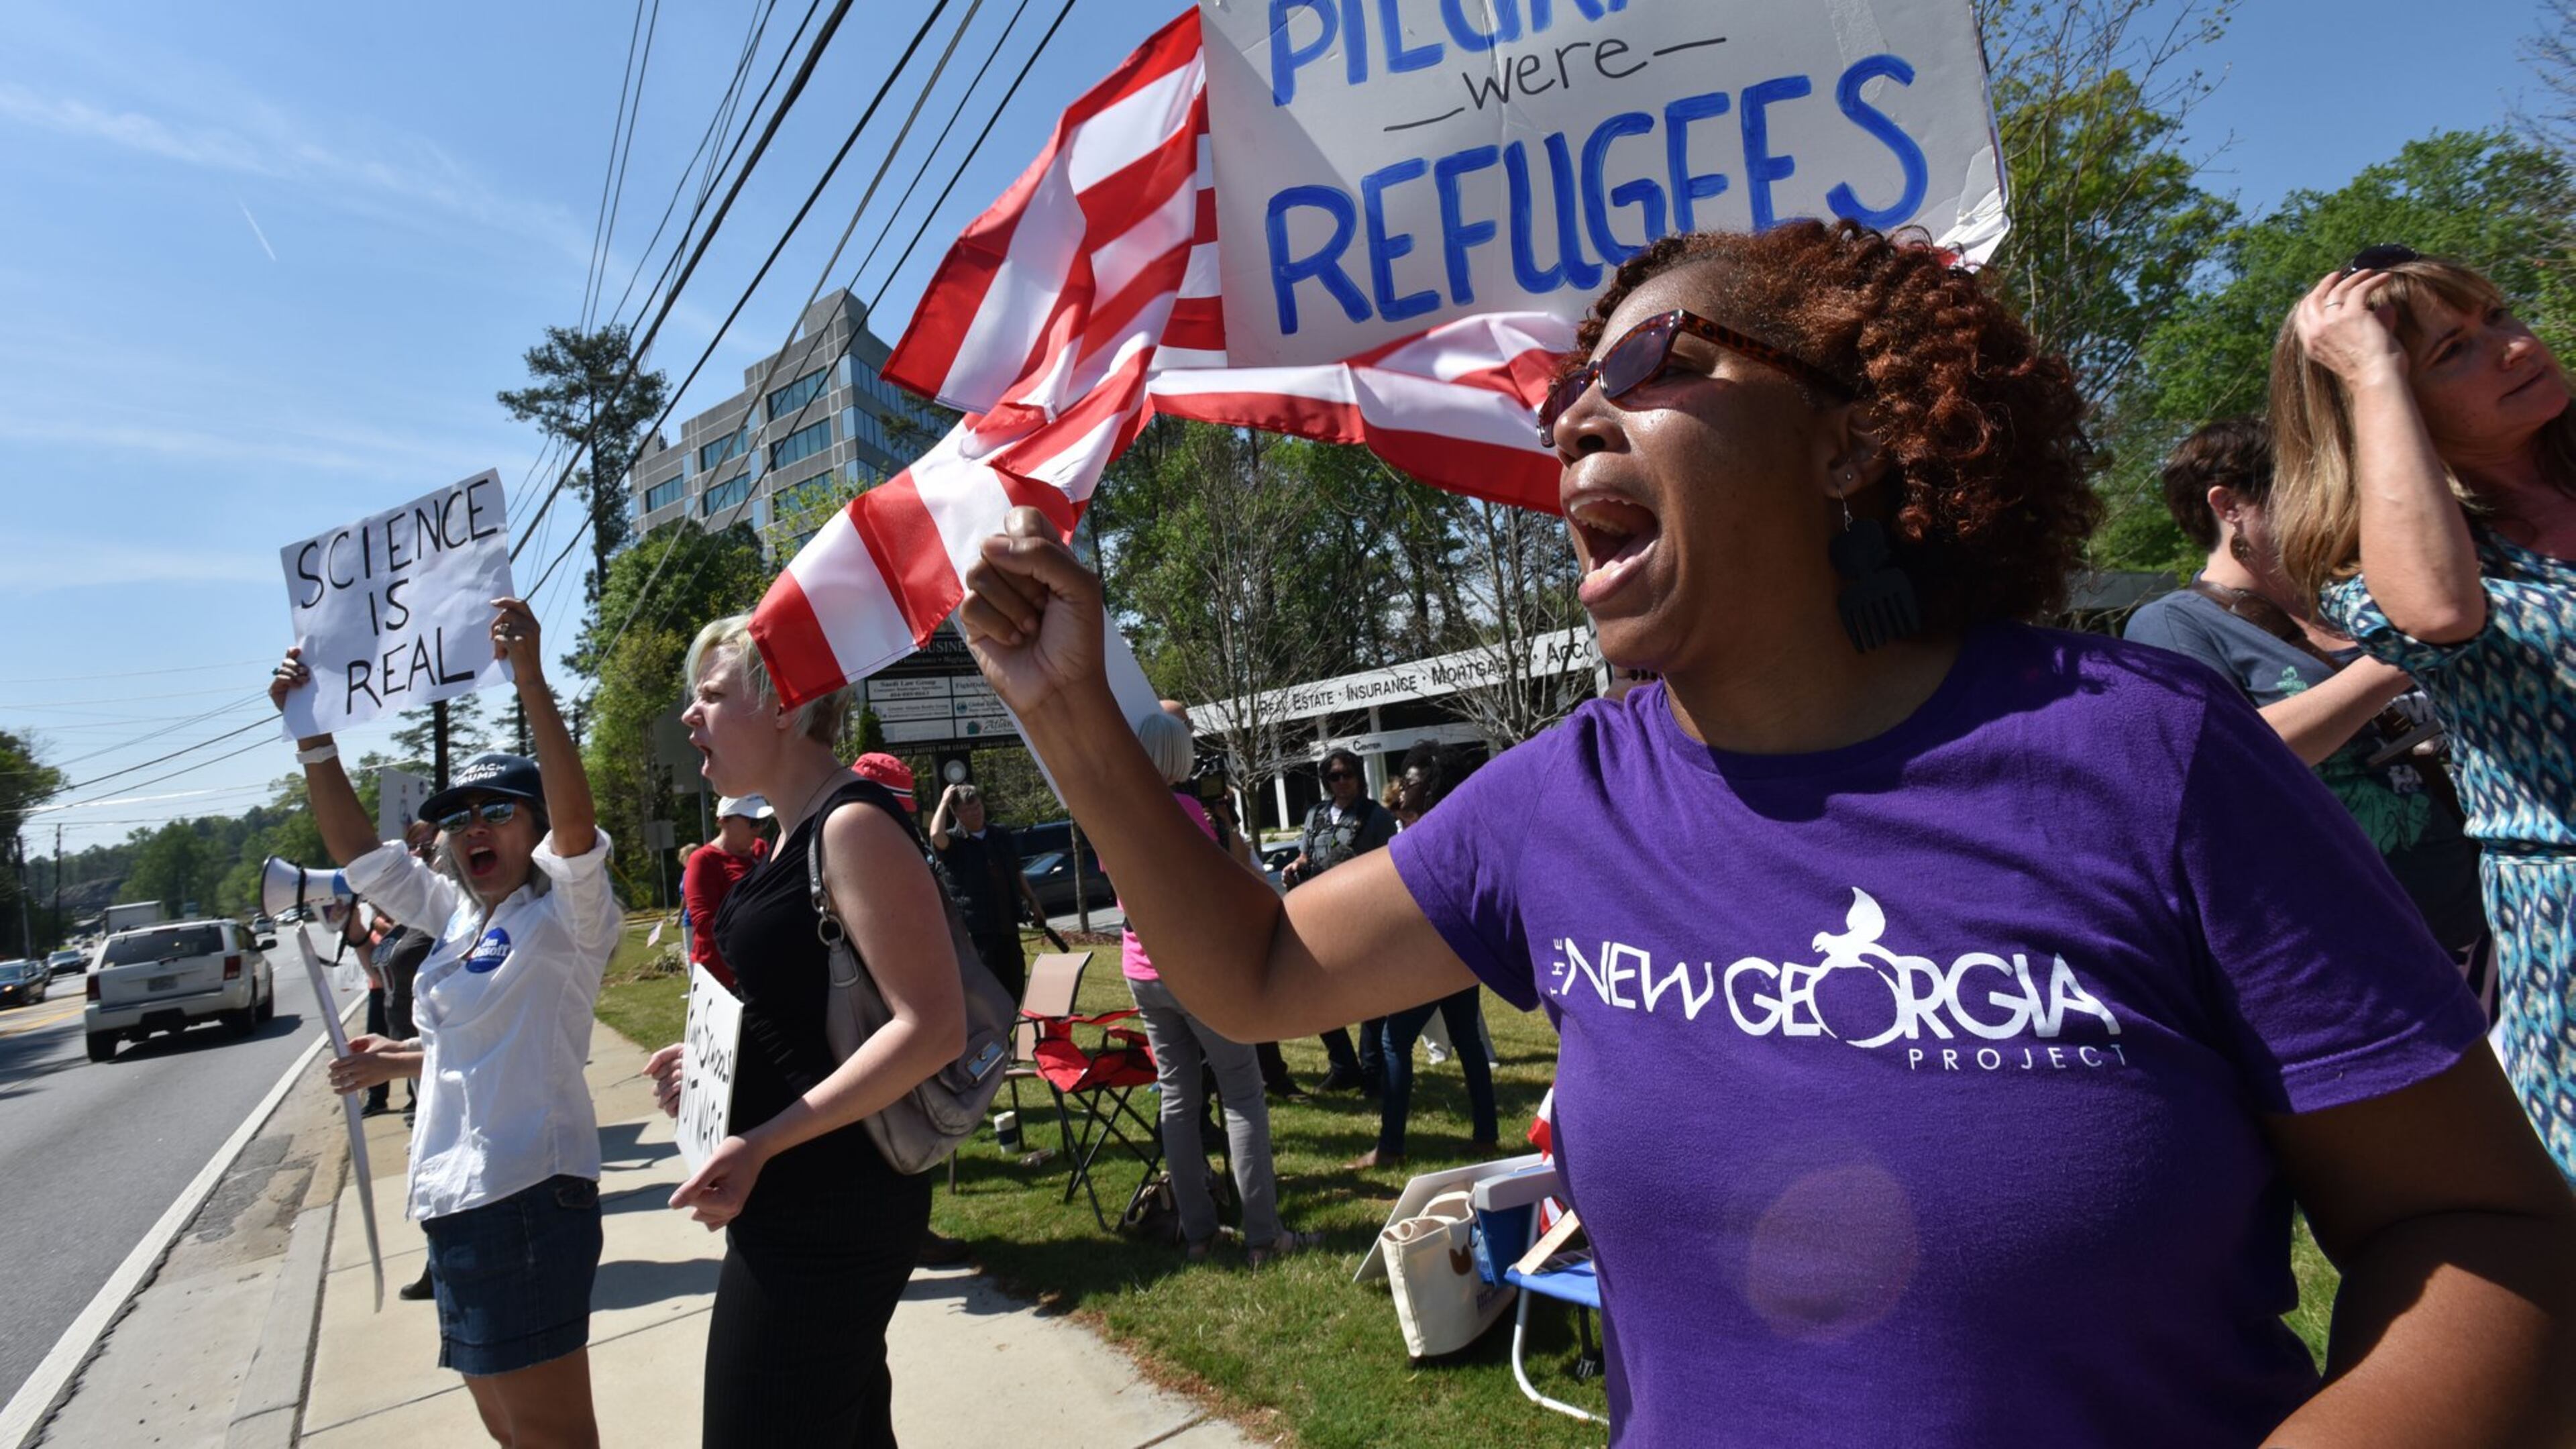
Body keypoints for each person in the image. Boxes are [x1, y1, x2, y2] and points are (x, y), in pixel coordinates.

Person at [955, 220, 2576, 1445]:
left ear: (1853, 442)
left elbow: (2483, 1233)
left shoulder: (2143, 757)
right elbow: (1247, 968)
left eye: (1658, 364)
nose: (1578, 413)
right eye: (1568, 391)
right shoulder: (1561, 793)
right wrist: (1069, 713)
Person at [273, 598, 618, 1449]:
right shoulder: (459, 916)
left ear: (535, 829)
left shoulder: (567, 916)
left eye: (497, 811)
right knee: (511, 1435)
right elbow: (363, 859)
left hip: (527, 1199)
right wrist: (311, 733)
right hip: (455, 1204)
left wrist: (530, 680)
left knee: (552, 1440)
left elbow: (577, 830)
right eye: (458, 819)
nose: (473, 830)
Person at [2272, 246, 2576, 1177]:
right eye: (2453, 353)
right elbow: (2440, 611)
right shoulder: (2391, 575)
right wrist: (2367, 365)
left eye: (2498, 317)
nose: (2514, 347)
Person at [661, 614, 966, 1448]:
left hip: (831, 1208)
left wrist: (760, 1141)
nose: (692, 715)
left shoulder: (851, 825)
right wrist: (711, 1067)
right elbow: (808, 1014)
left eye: (713, 695)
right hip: (793, 1198)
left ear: (785, 705)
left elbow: (933, 1025)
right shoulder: (789, 833)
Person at [2125, 417, 2489, 998]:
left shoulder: (2353, 602)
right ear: (2230, 505)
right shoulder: (2173, 623)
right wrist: (2393, 663)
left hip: (2477, 921)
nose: (2332, 506)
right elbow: (2224, 764)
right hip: (2344, 959)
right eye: (2309, 489)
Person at [1114, 710, 1317, 1265]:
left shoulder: (1111, 811)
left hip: (1140, 967)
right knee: (1243, 1094)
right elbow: (1228, 880)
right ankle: (1264, 1235)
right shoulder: (1189, 813)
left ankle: (1199, 1233)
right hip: (1195, 967)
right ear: (1180, 757)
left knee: (1178, 1099)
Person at [1355, 743, 1498, 1170]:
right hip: (1458, 950)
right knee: (1468, 1042)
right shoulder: (1452, 822)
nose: (1402, 790)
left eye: (1411, 782)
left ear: (1432, 786)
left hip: (1436, 950)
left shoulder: (1436, 830)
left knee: (1393, 1041)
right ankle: (1486, 1136)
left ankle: (1391, 1146)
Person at [1281, 749, 1396, 1093]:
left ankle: (1373, 1073)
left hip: (1363, 916)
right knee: (1316, 992)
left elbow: (1388, 864)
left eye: (1348, 774)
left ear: (1359, 776)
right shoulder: (1316, 814)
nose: (1342, 782)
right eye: (1334, 776)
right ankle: (1344, 1065)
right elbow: (1305, 854)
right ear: (1325, 781)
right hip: (1318, 914)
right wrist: (1295, 868)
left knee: (1370, 998)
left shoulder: (1376, 816)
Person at [927, 783, 1045, 1003]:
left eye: (978, 807)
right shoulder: (953, 842)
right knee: (988, 990)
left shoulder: (1000, 835)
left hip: (1007, 926)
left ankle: (1009, 1032)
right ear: (956, 814)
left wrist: (1033, 900)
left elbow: (1016, 872)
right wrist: (944, 800)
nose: (976, 813)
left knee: (1015, 984)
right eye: (968, 810)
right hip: (977, 932)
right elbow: (935, 834)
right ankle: (995, 1035)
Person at [682, 796, 772, 991]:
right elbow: (705, 924)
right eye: (752, 821)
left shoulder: (761, 851)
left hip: (760, 969)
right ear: (723, 821)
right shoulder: (704, 860)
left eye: (763, 821)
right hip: (721, 977)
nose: (759, 829)